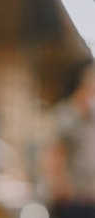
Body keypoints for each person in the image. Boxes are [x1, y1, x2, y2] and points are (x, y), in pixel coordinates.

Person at [41, 62, 95, 218]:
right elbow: (52, 155)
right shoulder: (65, 117)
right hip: (72, 202)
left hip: (89, 200)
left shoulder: (91, 120)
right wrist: (64, 192)